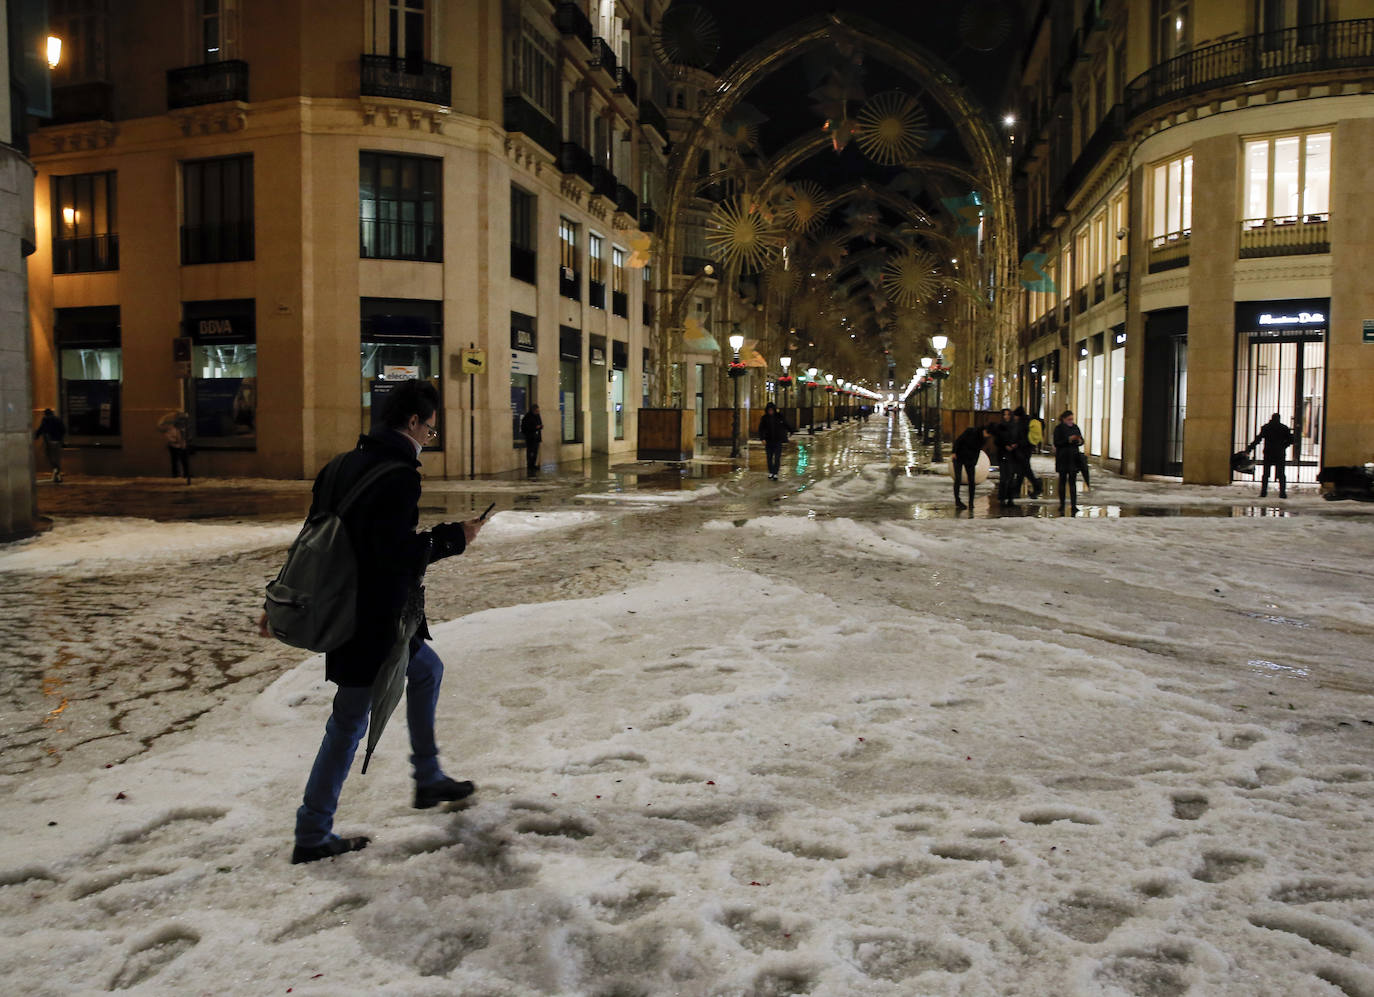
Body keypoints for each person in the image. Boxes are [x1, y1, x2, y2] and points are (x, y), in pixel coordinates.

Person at [284, 379, 486, 864]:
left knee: (427, 670)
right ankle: (312, 833)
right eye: (430, 431)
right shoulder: (398, 473)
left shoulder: (339, 466)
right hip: (370, 620)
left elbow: (312, 538)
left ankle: (428, 776)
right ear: (413, 422)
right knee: (349, 720)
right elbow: (394, 557)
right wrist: (453, 537)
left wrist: (290, 595)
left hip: (346, 607)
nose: (428, 440)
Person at [1249, 412, 1294, 498]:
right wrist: (1284, 446)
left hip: (1268, 453)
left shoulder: (1266, 427)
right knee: (1281, 474)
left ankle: (1263, 492)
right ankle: (1282, 493)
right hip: (1280, 453)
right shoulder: (1284, 428)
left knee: (1266, 474)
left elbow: (1258, 439)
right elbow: (1291, 440)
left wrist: (1249, 448)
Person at [952, 423, 993, 510]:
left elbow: (977, 451)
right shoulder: (971, 431)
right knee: (958, 479)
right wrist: (954, 452)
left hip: (970, 459)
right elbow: (959, 440)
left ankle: (971, 502)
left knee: (971, 480)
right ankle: (957, 500)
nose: (987, 436)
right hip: (959, 455)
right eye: (987, 434)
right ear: (984, 430)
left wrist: (974, 462)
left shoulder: (983, 439)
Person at [1053, 410, 1085, 513]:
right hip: (1063, 457)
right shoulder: (1058, 429)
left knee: (1072, 482)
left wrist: (1079, 441)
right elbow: (1056, 442)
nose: (1071, 421)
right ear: (1063, 419)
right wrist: (1068, 440)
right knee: (1062, 481)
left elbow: (1081, 440)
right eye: (1069, 419)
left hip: (1073, 458)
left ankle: (1073, 505)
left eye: (1072, 419)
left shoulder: (1075, 427)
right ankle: (1062, 505)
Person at [1012, 406, 1042, 498]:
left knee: (1025, 470)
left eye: (1015, 416)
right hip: (1027, 449)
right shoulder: (1028, 420)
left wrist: (1017, 444)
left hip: (1022, 449)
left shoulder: (1022, 423)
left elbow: (1022, 437)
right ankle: (1017, 491)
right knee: (1022, 470)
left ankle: (1037, 486)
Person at [757, 401, 792, 480]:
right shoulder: (764, 418)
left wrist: (791, 430)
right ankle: (771, 472)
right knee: (769, 458)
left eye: (771, 410)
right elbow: (761, 429)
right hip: (768, 440)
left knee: (777, 457)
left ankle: (775, 472)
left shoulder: (779, 416)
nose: (770, 411)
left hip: (777, 440)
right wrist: (762, 438)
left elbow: (786, 424)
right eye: (769, 410)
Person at [994, 408, 1020, 506]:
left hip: (1013, 454)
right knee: (1004, 477)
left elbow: (1019, 438)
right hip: (1003, 453)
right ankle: (1002, 497)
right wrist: (1005, 446)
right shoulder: (1000, 427)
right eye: (1004, 415)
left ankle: (1010, 497)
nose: (1006, 417)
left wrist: (1015, 445)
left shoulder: (1015, 427)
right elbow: (997, 441)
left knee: (1011, 476)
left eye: (1008, 415)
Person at [159, 412, 192, 484]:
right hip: (174, 446)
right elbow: (168, 437)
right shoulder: (171, 429)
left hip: (183, 446)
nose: (182, 422)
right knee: (175, 461)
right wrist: (174, 440)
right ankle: (176, 475)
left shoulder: (184, 428)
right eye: (180, 421)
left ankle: (186, 474)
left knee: (184, 461)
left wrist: (186, 440)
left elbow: (188, 436)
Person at [34, 408, 66, 483]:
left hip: (49, 441)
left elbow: (41, 429)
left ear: (46, 414)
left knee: (49, 456)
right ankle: (57, 474)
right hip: (57, 441)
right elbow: (63, 430)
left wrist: (36, 436)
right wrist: (60, 438)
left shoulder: (45, 420)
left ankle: (55, 470)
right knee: (56, 457)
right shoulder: (58, 419)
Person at [520, 404, 543, 475]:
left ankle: (533, 464)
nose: (537, 412)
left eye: (538, 411)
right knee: (530, 452)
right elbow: (525, 428)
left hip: (536, 437)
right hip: (530, 437)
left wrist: (539, 427)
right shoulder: (527, 417)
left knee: (535, 452)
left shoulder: (537, 416)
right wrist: (535, 427)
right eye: (536, 411)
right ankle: (530, 465)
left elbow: (540, 424)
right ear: (533, 410)